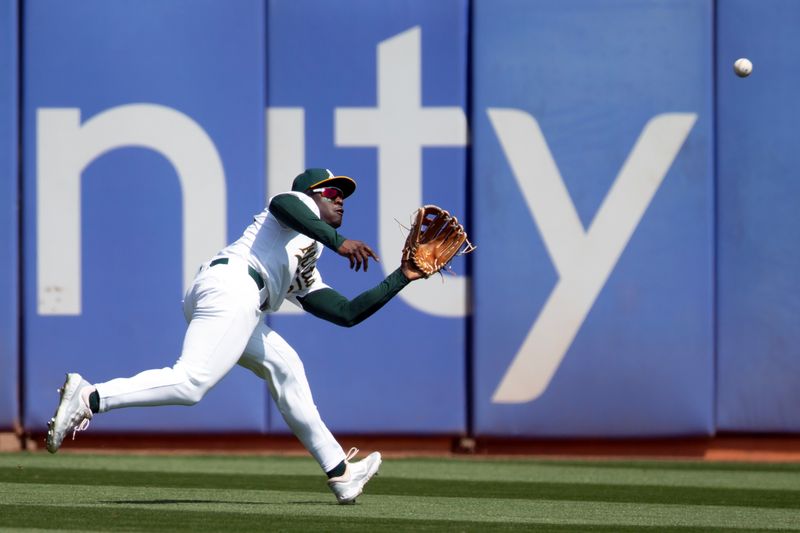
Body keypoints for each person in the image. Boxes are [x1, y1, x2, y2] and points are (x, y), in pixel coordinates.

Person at [45, 168, 425, 504]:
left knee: (287, 369)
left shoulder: (305, 252)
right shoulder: (295, 208)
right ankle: (90, 396)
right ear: (311, 196)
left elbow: (345, 313)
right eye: (331, 192)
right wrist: (339, 242)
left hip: (238, 299)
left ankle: (340, 471)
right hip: (233, 285)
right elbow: (283, 204)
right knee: (192, 383)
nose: (340, 199)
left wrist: (402, 277)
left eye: (343, 195)